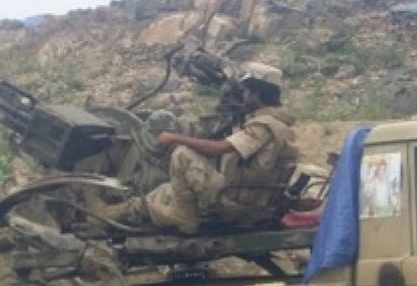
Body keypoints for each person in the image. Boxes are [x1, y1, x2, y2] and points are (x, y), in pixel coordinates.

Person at [100, 63, 298, 234]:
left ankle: (183, 217)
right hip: (254, 198)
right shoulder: (282, 126)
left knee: (182, 154)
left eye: (246, 91)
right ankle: (114, 212)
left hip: (237, 202)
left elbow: (219, 148)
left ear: (257, 93)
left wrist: (174, 137)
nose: (244, 96)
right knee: (166, 191)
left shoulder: (264, 125)